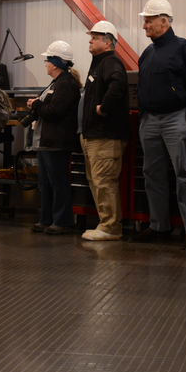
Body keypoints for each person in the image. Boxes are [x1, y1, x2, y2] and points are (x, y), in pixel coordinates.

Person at [130, 0, 186, 247]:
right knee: (152, 173)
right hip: (149, 119)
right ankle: (159, 226)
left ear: (164, 21)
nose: (144, 26)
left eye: (148, 21)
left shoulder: (185, 49)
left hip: (177, 118)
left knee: (185, 173)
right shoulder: (147, 53)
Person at [79, 21, 131, 242]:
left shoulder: (110, 62)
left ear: (108, 41)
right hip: (94, 135)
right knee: (97, 181)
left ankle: (110, 227)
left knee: (104, 181)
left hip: (105, 135)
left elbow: (118, 85)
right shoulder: (99, 63)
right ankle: (106, 223)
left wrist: (102, 109)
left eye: (95, 37)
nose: (90, 40)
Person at [27, 41, 81, 235]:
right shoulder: (56, 83)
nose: (46, 64)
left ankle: (63, 221)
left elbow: (56, 111)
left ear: (55, 63)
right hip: (46, 142)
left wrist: (36, 106)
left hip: (57, 142)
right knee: (46, 183)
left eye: (47, 61)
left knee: (58, 182)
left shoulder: (66, 84)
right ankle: (47, 219)